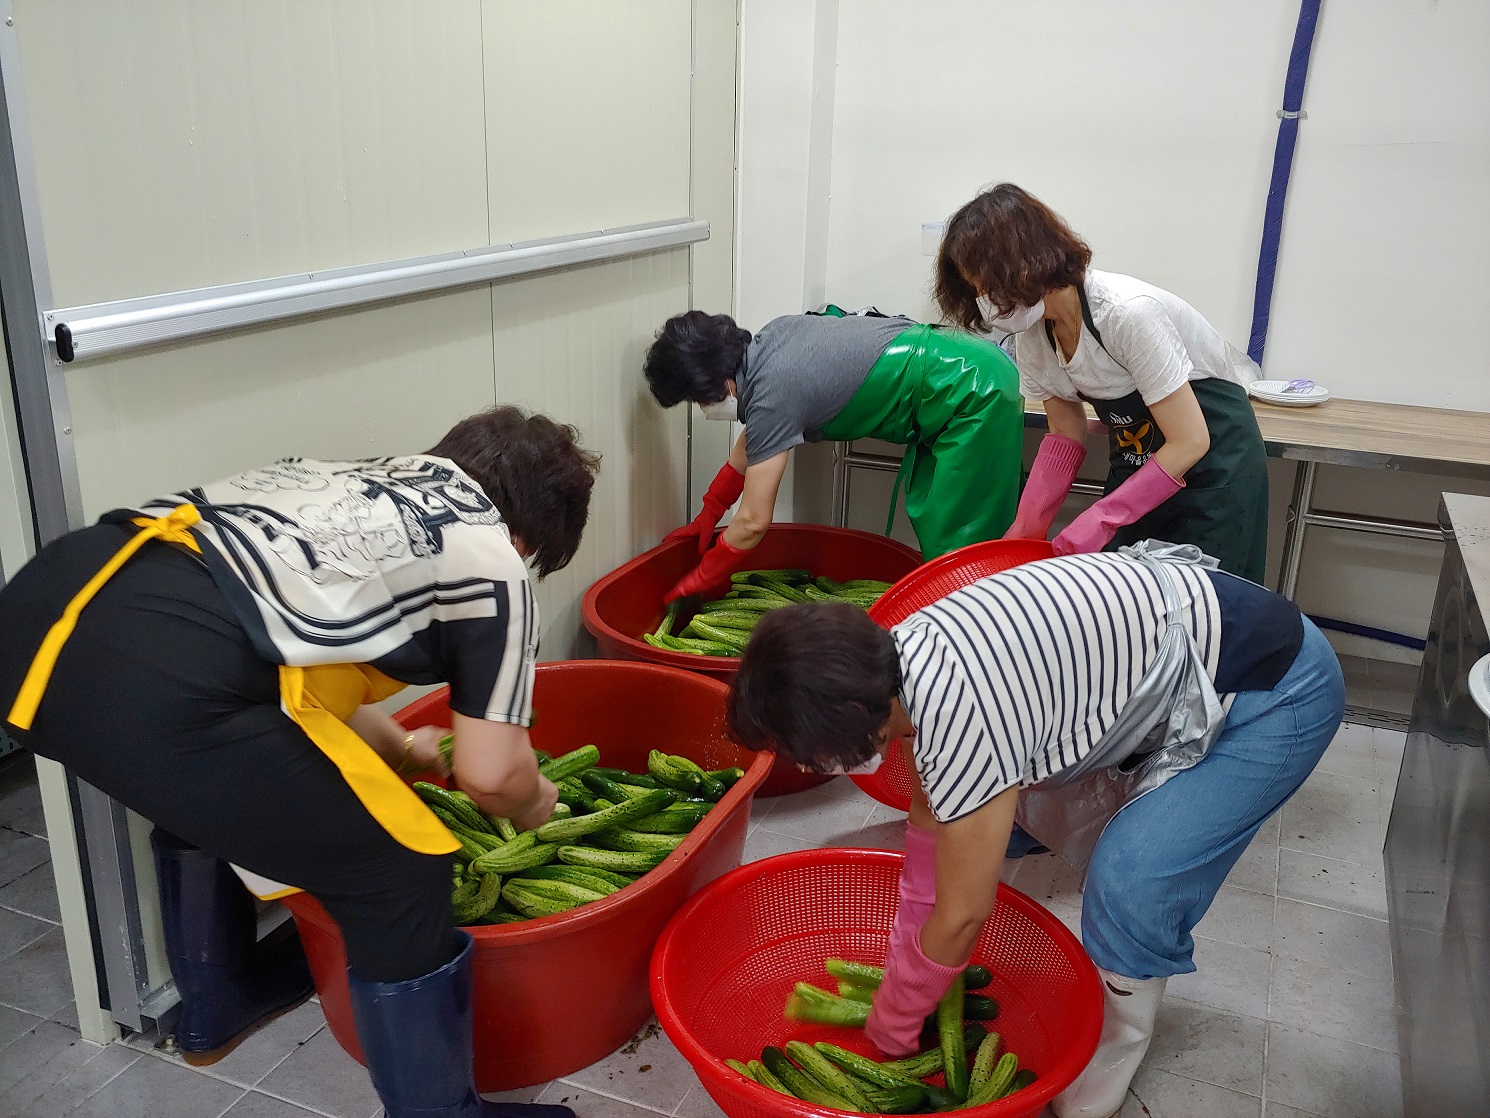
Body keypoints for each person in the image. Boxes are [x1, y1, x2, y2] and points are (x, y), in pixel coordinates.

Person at [0, 406, 600, 1118]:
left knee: (200, 788)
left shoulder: (348, 483)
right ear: (529, 534)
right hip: (165, 676)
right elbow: (494, 776)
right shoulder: (489, 556)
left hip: (38, 620)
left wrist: (406, 749)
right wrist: (541, 806)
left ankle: (218, 1005)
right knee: (402, 871)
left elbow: (301, 669)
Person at [727, 543, 1343, 1118]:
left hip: (1275, 687)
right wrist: (911, 934)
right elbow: (929, 818)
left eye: (807, 751)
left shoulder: (961, 713)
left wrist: (894, 1016)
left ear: (854, 718)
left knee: (1132, 876)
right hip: (1181, 642)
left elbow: (964, 915)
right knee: (991, 815)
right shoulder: (895, 665)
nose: (808, 766)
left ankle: (1117, 1041)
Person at [935, 184, 1270, 583]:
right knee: (1126, 601)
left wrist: (1105, 515)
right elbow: (1066, 431)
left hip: (1215, 464)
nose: (985, 301)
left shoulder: (1127, 313)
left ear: (1026, 264)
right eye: (977, 291)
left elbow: (1191, 440)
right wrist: (1027, 528)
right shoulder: (1033, 337)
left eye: (988, 286)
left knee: (1205, 606)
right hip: (1140, 460)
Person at [642, 307, 1023, 600]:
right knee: (938, 528)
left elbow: (754, 521)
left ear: (719, 384)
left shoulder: (773, 393)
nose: (703, 409)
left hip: (971, 392)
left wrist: (701, 577)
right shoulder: (769, 343)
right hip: (964, 365)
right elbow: (757, 442)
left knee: (962, 558)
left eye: (696, 400)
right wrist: (710, 511)